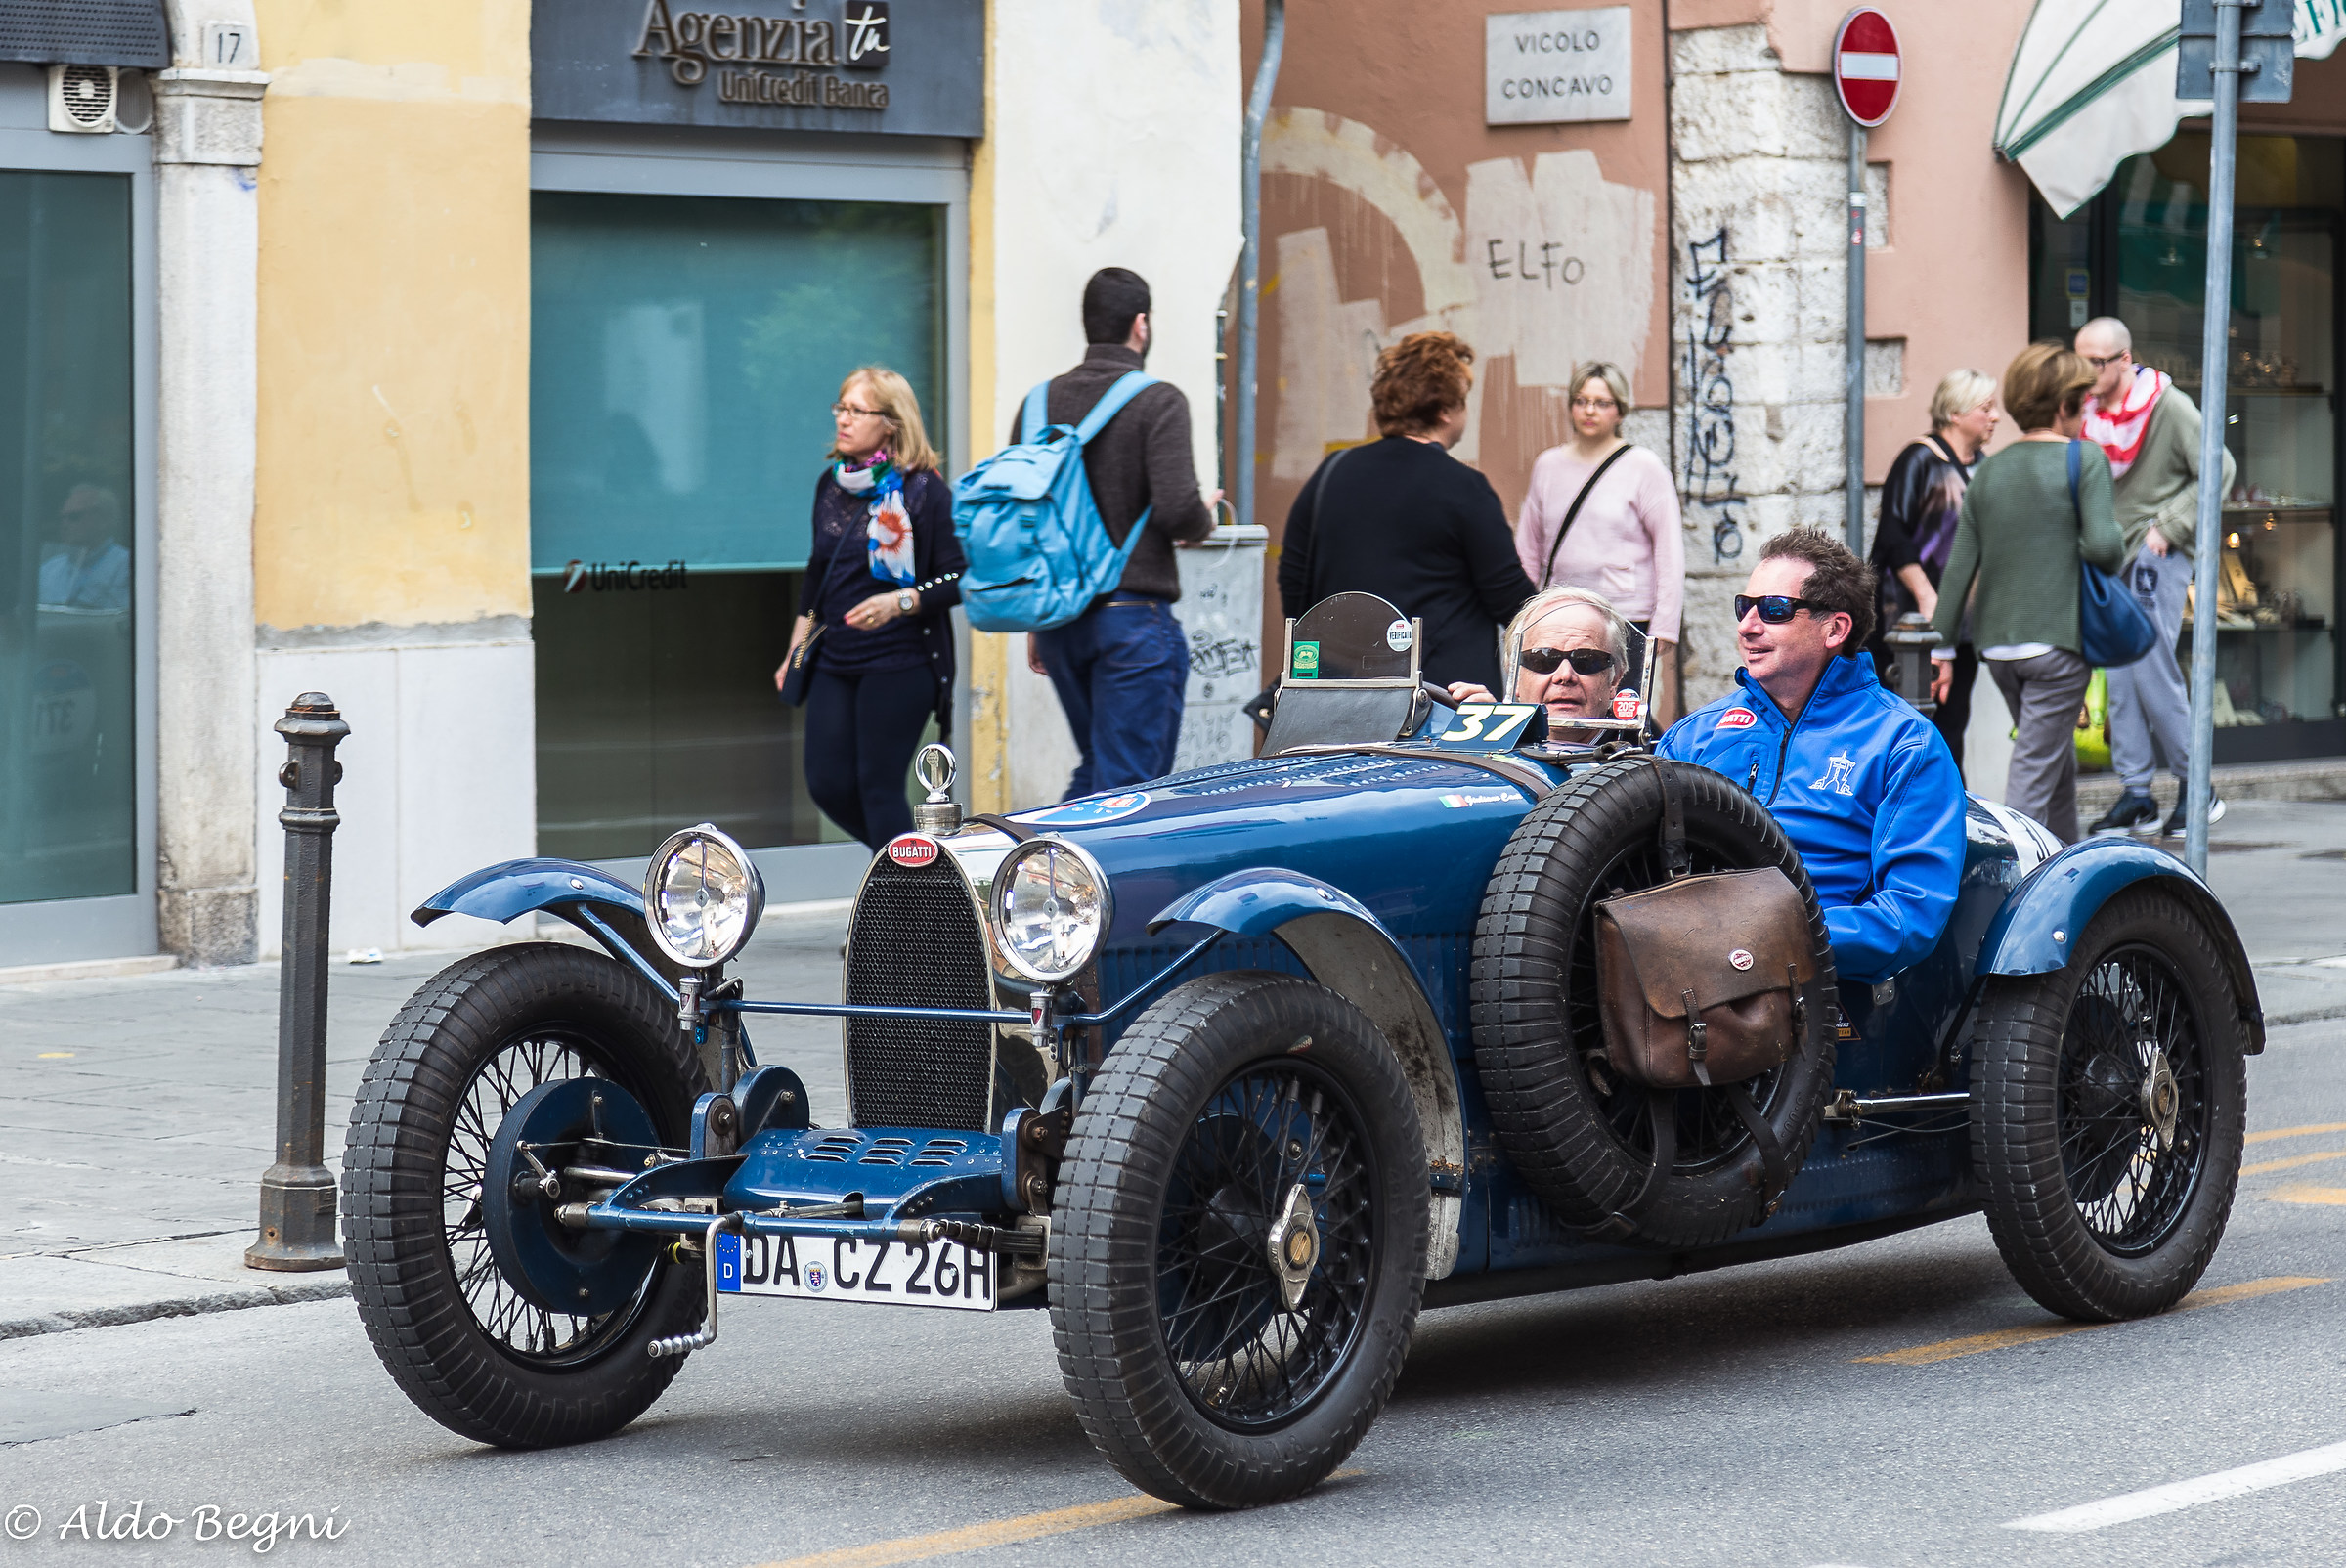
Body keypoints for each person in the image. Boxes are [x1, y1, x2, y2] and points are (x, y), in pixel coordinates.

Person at [1662, 530, 1967, 984]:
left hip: (1817, 994)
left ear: (1835, 629)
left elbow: (1908, 919)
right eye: (1744, 606)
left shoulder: (1903, 742)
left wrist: (1762, 941)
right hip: (1679, 974)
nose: (1747, 625)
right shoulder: (1693, 735)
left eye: (1775, 610)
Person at [1018, 268, 1220, 800]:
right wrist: (1204, 518)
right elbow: (1179, 511)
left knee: (1098, 776)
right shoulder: (1159, 401)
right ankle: (1059, 880)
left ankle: (1048, 878)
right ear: (1141, 324)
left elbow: (1024, 521)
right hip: (1130, 624)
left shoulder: (1037, 405)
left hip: (1061, 622)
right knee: (1131, 791)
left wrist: (1038, 623)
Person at [1929, 343, 2126, 845]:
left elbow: (1959, 568)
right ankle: (2013, 892)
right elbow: (2104, 548)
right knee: (2032, 779)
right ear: (2063, 406)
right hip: (2058, 643)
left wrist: (1942, 646)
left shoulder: (1990, 469)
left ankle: (2069, 869)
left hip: (1999, 649)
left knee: (2054, 763)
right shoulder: (2086, 460)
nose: (2087, 410)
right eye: (2082, 401)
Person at [1278, 331, 1535, 692]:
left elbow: (1293, 578)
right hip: (1440, 697)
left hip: (1337, 691)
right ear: (1446, 410)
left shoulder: (1332, 472)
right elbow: (1510, 598)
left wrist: (1328, 650)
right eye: (1463, 402)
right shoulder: (1463, 486)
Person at [775, 367, 965, 851]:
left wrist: (898, 602)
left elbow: (956, 577)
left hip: (900, 663)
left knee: (878, 788)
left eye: (857, 410)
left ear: (891, 423)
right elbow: (818, 572)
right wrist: (796, 649)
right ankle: (913, 871)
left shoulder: (925, 490)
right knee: (827, 784)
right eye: (841, 407)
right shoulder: (830, 484)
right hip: (834, 658)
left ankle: (911, 908)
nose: (843, 419)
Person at [2074, 316, 2234, 838]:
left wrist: (2169, 525)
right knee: (2119, 676)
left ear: (2125, 359)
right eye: (2081, 360)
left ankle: (2198, 787)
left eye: (2097, 362)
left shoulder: (2168, 405)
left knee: (2150, 667)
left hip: (2154, 553)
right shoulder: (2088, 411)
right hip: (2109, 556)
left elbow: (2221, 466)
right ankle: (2138, 793)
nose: (2087, 372)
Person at [1514, 361, 1683, 722]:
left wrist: (1664, 627)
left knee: (1623, 717)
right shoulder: (1548, 465)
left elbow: (1668, 551)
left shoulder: (1643, 466)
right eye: (1581, 400)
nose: (1590, 410)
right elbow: (1528, 549)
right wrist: (1525, 618)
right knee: (1556, 715)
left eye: (1602, 402)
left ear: (1620, 410)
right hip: (1562, 616)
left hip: (1627, 618)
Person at [1868, 369, 1997, 768]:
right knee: (1912, 724)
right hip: (1909, 626)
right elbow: (1892, 534)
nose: (1995, 417)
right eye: (1986, 407)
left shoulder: (1984, 467)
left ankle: (1953, 817)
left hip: (1961, 628)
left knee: (1954, 724)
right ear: (1956, 412)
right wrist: (1928, 598)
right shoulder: (1920, 459)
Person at [1443, 584, 1629, 744]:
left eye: (1586, 660)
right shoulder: (1493, 741)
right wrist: (1489, 737)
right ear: (1514, 677)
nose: (1564, 676)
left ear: (1615, 679)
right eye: (1543, 659)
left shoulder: (1644, 761)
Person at [37, 484, 131, 611]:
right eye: (62, 518)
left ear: (103, 520)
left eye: (74, 517)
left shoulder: (126, 566)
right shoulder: (48, 570)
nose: (64, 524)